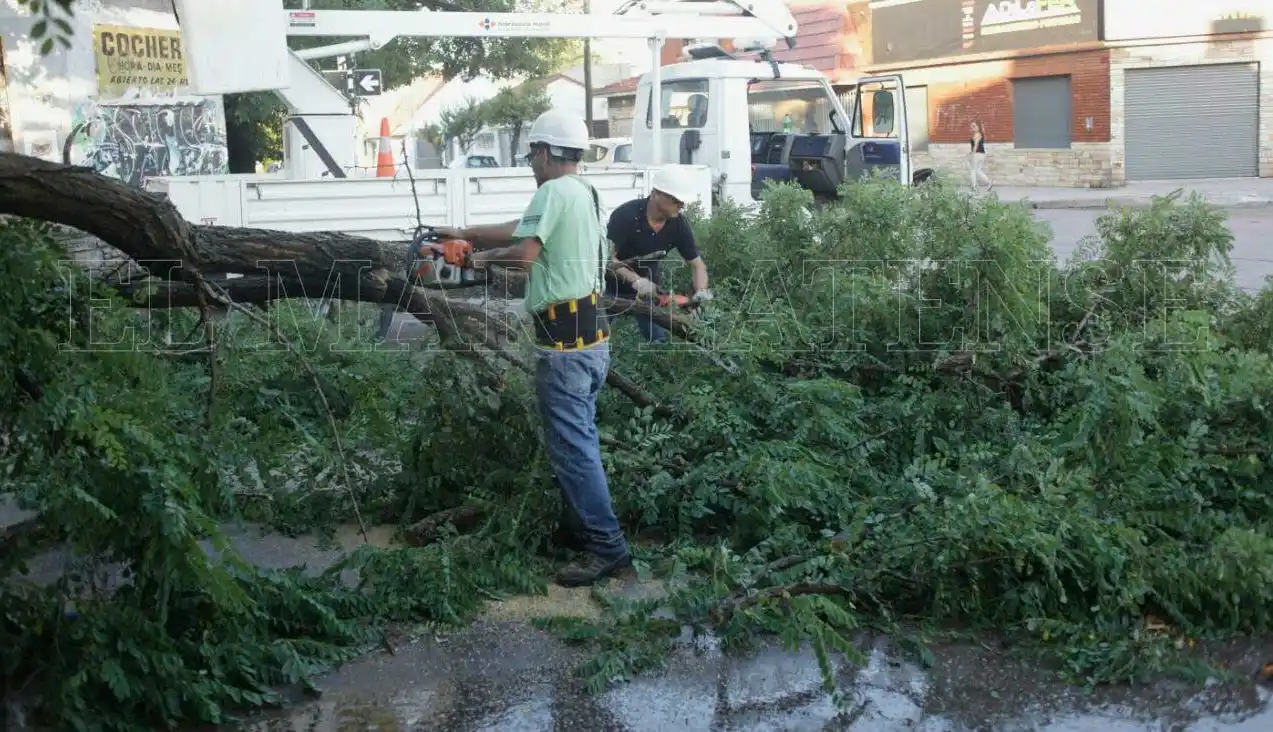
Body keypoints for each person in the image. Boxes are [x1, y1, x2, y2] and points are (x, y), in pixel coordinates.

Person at [431, 109, 632, 588]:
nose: (530, 164)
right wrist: (469, 231)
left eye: (531, 155)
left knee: (575, 449)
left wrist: (474, 258)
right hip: (590, 338)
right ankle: (578, 528)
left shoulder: (552, 191)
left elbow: (523, 255)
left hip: (565, 347)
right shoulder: (581, 191)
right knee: (572, 442)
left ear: (544, 152)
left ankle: (607, 547)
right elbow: (525, 230)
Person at [604, 167, 713, 343]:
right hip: (610, 288)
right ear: (655, 194)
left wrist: (701, 293)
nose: (681, 205)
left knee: (658, 342)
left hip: (651, 293)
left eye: (682, 201)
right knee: (595, 339)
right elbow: (608, 258)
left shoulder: (678, 224)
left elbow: (697, 264)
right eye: (675, 200)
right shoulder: (625, 216)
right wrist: (636, 280)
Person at [969, 119, 993, 192]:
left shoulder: (977, 134)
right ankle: (989, 182)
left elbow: (976, 145)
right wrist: (971, 153)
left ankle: (974, 187)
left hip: (977, 154)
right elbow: (976, 145)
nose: (972, 128)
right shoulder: (979, 134)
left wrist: (972, 154)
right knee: (978, 170)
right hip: (981, 154)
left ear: (978, 126)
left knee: (973, 170)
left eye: (974, 126)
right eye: (971, 126)